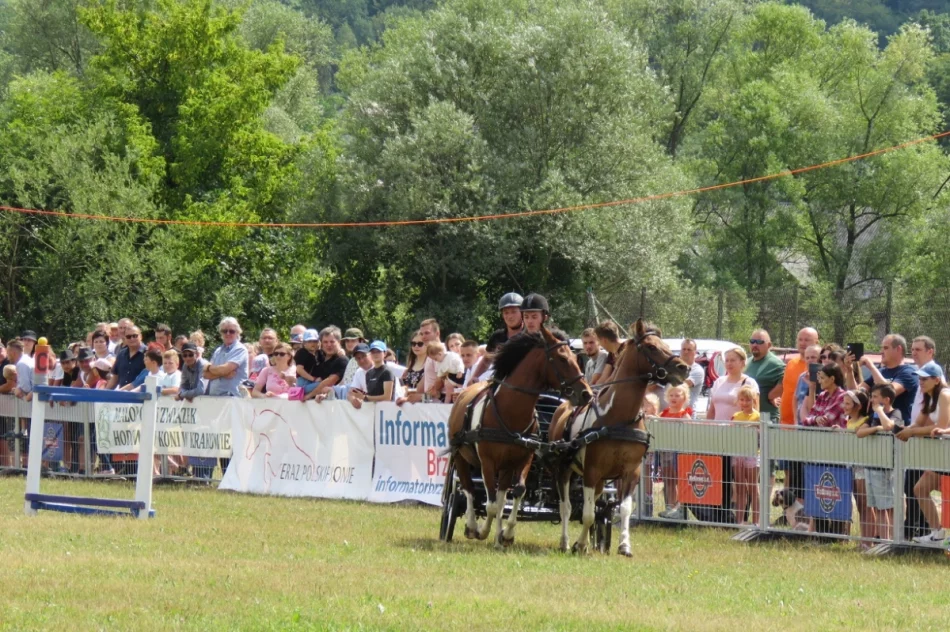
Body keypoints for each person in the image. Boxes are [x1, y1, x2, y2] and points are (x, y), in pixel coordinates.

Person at [845, 333, 923, 538]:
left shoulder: (908, 372)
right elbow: (856, 395)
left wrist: (870, 367)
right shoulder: (881, 371)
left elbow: (890, 391)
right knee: (879, 495)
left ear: (898, 349)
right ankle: (882, 536)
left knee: (896, 492)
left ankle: (899, 535)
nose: (881, 351)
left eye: (886, 347)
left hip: (898, 435)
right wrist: (850, 370)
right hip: (875, 435)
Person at [897, 362, 950, 544]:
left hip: (947, 455)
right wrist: (903, 430)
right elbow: (919, 423)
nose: (921, 382)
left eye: (924, 379)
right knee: (920, 488)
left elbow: (941, 426)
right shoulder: (929, 397)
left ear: (936, 380)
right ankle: (938, 534)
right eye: (919, 378)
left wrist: (911, 432)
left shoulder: (944, 394)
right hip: (943, 457)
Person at [856, 384, 902, 541]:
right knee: (877, 507)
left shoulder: (895, 413)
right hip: (871, 466)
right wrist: (875, 429)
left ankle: (888, 541)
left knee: (886, 508)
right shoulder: (873, 417)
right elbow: (860, 432)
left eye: (875, 396)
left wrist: (881, 411)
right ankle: (883, 540)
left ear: (886, 399)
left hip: (886, 468)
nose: (872, 399)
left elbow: (889, 426)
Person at [657, 383, 693, 520]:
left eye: (677, 395)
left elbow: (689, 432)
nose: (674, 398)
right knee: (668, 479)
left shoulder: (685, 415)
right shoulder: (663, 413)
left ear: (684, 397)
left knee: (679, 479)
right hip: (665, 451)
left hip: (679, 452)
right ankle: (669, 506)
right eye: (671, 395)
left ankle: (680, 507)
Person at [842, 390, 873, 546]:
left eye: (848, 403)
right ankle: (864, 539)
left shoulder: (865, 420)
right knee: (859, 504)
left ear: (858, 406)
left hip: (862, 465)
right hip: (852, 465)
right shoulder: (848, 420)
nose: (844, 406)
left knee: (865, 504)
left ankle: (869, 540)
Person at [731, 384, 761, 525]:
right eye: (742, 400)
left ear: (754, 400)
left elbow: (761, 434)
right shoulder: (735, 416)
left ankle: (756, 521)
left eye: (748, 400)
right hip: (738, 454)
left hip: (753, 454)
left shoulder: (758, 416)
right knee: (740, 487)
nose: (744, 403)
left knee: (753, 487)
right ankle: (740, 521)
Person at [777, 328, 820, 425]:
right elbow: (786, 392)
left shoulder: (817, 369)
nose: (802, 343)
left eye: (806, 340)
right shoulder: (791, 363)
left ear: (816, 342)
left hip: (804, 425)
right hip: (785, 423)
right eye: (800, 339)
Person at [745, 329, 785, 421]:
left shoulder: (776, 364)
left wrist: (770, 396)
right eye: (752, 341)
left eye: (759, 342)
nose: (755, 345)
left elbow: (786, 382)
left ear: (769, 345)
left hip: (766, 420)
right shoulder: (747, 362)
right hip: (746, 418)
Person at [204, 317, 249, 398]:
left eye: (231, 331)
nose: (228, 333)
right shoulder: (218, 351)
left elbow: (224, 369)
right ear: (221, 333)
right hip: (214, 398)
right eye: (224, 331)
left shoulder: (240, 349)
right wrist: (222, 373)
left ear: (237, 333)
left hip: (233, 398)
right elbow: (205, 374)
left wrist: (209, 367)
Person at [309, 326, 348, 399]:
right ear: (321, 343)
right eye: (325, 342)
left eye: (332, 342)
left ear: (339, 342)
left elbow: (329, 382)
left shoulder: (341, 360)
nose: (329, 345)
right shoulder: (319, 359)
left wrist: (308, 396)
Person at [909, 336, 941, 423]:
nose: (914, 353)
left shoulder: (935, 373)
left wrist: (917, 431)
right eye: (912, 349)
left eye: (918, 350)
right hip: (918, 433)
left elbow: (936, 410)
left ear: (930, 352)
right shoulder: (920, 372)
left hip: (929, 434)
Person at [397, 332, 427, 405]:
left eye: (420, 344)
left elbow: (435, 395)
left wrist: (418, 397)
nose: (416, 346)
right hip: (409, 408)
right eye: (413, 343)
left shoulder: (431, 365)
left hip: (426, 407)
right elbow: (407, 386)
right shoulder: (410, 365)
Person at [679, 339, 705, 417]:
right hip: (669, 411)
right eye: (684, 349)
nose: (686, 352)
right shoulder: (671, 367)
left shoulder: (698, 370)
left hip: (687, 413)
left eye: (689, 349)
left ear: (695, 352)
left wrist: (669, 375)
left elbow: (684, 384)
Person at [593, 321, 622, 386]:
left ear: (604, 340)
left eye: (598, 341)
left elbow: (612, 378)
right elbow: (604, 377)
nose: (599, 344)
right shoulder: (611, 354)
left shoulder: (626, 351)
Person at [294, 329, 323, 395]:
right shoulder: (301, 352)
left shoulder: (319, 353)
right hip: (303, 382)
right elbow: (299, 369)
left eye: (315, 341)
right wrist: (313, 379)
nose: (312, 343)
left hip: (314, 381)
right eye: (309, 341)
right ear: (304, 343)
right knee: (324, 385)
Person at [419, 318, 442, 395]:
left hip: (438, 403)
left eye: (427, 333)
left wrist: (421, 397)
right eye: (421, 334)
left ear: (437, 333)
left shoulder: (439, 352)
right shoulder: (431, 352)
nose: (423, 337)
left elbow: (441, 380)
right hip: (430, 403)